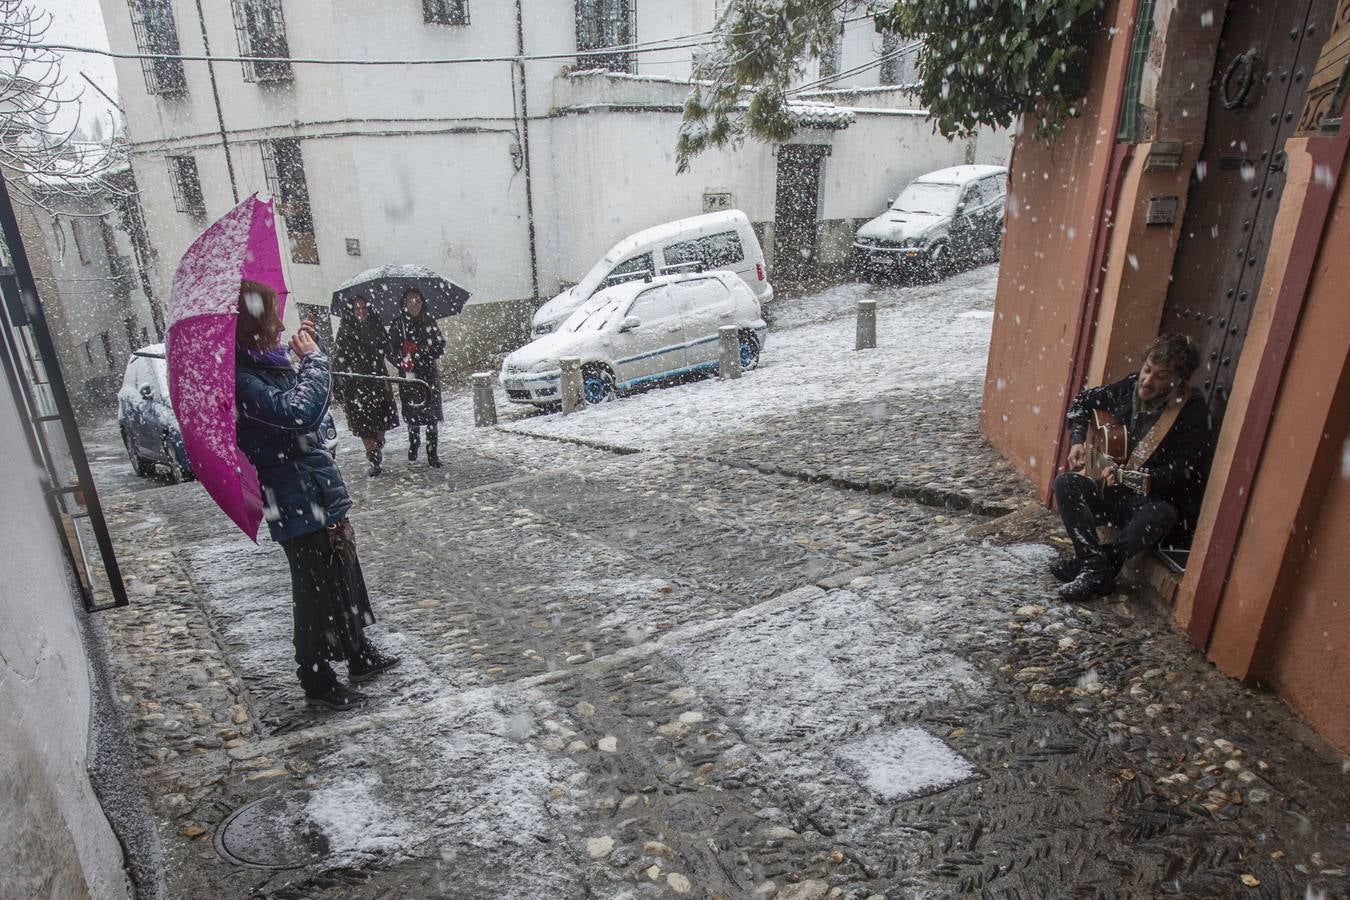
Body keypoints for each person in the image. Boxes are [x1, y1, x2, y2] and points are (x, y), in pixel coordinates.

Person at [234, 279, 399, 710]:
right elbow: (297, 411)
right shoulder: (244, 378)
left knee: (344, 572)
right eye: (270, 318)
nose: (278, 326)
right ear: (252, 326)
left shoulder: (266, 364)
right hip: (294, 497)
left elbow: (307, 409)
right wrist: (314, 362)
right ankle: (316, 676)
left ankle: (358, 651)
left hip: (315, 487)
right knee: (313, 590)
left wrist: (300, 360)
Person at [1051, 333, 1212, 601]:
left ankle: (1093, 567)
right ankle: (1093, 564)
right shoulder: (1130, 387)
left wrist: (1132, 477)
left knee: (1160, 513)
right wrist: (1077, 441)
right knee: (1066, 484)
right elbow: (1081, 403)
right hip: (1113, 494)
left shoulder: (1192, 411)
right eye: (1147, 369)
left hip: (1148, 502)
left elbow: (1182, 472)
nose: (1147, 381)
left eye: (1161, 376)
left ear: (1178, 379)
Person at [331, 295, 399, 476]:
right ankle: (374, 458)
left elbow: (388, 350)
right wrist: (338, 384)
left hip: (378, 379)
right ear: (351, 311)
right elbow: (339, 358)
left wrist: (402, 363)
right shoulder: (345, 330)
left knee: (382, 419)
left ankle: (377, 445)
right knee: (363, 422)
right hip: (356, 384)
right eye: (357, 308)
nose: (361, 311)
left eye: (364, 308)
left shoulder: (377, 326)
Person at [386, 287, 446, 467]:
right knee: (412, 412)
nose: (415, 304)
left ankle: (432, 453)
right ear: (405, 303)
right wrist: (401, 359)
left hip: (428, 376)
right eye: (412, 300)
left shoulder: (429, 321)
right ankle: (414, 442)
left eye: (418, 300)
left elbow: (439, 346)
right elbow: (390, 349)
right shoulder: (399, 324)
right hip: (410, 377)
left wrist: (419, 352)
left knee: (431, 415)